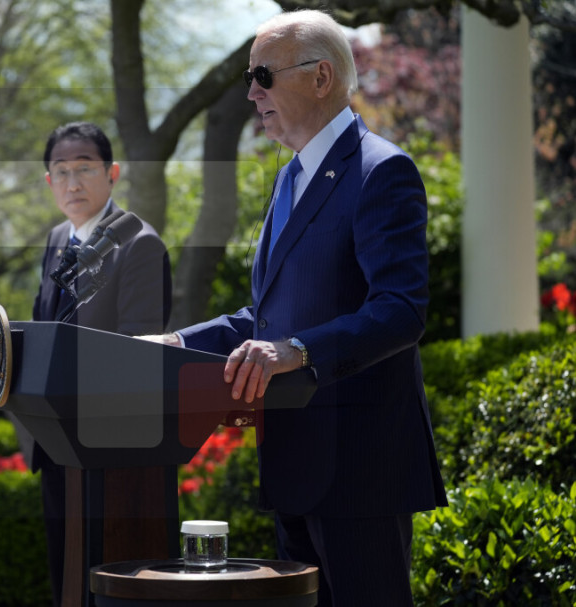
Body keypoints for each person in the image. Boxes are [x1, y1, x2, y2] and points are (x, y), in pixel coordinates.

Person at [144, 10, 446, 606]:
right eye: (248, 77)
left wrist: (298, 351)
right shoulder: (288, 179)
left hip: (361, 470)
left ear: (321, 76)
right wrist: (176, 344)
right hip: (293, 463)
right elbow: (266, 318)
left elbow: (401, 310)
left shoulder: (382, 171)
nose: (251, 92)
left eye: (263, 75)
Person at [24, 121, 172, 606]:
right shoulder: (56, 240)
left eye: (85, 169)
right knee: (63, 580)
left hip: (110, 450)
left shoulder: (138, 243)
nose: (73, 183)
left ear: (112, 173)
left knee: (103, 583)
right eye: (61, 172)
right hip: (54, 441)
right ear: (49, 182)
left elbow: (138, 352)